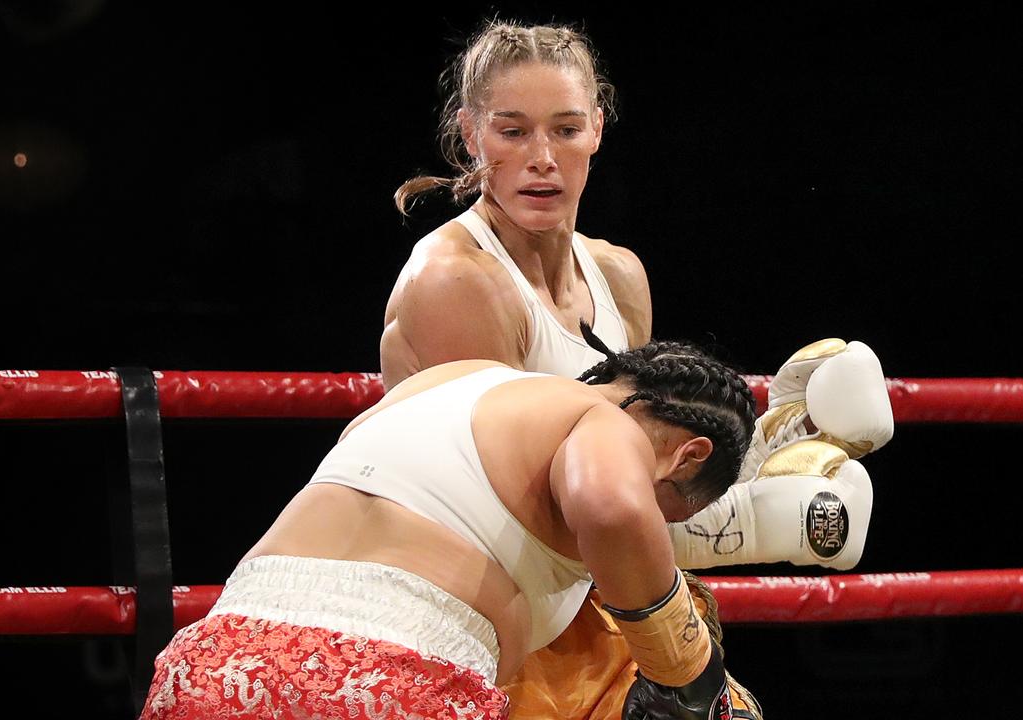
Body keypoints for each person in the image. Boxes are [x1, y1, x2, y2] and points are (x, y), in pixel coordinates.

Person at [382, 20, 894, 720]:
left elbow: (633, 469)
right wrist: (752, 523)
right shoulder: (456, 280)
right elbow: (513, 514)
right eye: (512, 132)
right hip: (475, 615)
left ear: (597, 127)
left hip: (582, 609)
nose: (542, 158)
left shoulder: (619, 276)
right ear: (470, 134)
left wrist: (736, 459)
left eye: (564, 130)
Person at [138, 331, 758, 720]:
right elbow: (613, 509)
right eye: (668, 510)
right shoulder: (602, 424)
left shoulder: (453, 378)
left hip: (216, 660)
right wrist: (686, 671)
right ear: (689, 455)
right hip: (386, 678)